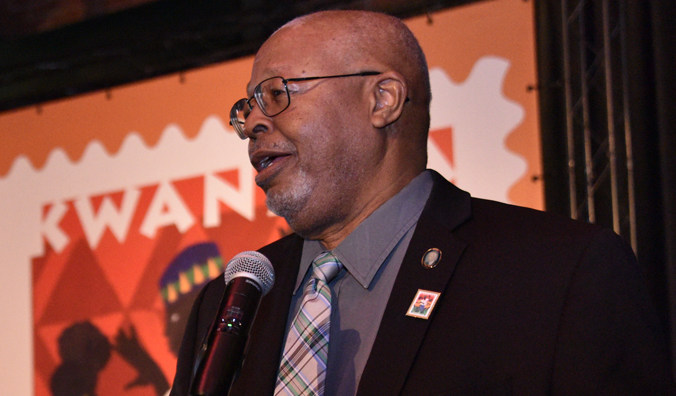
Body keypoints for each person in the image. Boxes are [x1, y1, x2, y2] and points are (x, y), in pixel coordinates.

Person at [170, 10, 674, 396]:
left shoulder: (559, 272)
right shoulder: (234, 299)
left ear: (382, 99)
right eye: (246, 109)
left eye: (277, 93)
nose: (253, 123)